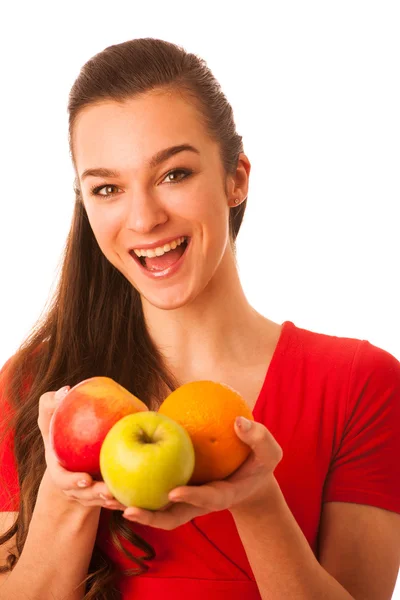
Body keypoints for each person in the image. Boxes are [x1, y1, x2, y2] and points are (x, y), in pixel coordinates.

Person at [0, 37, 399, 600]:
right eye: (108, 188)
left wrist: (258, 503)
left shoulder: (360, 384)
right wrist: (67, 498)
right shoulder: (36, 389)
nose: (143, 217)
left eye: (174, 174)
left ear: (236, 178)